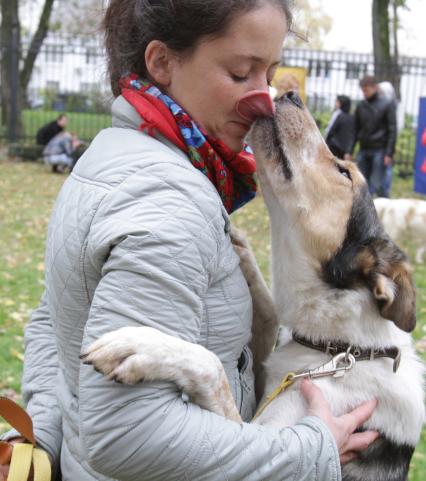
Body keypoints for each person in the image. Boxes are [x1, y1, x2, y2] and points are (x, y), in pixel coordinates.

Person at [0, 1, 379, 480]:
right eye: (241, 73)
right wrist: (311, 449)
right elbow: (127, 434)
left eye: (270, 72)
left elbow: (55, 319)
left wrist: (51, 434)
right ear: (161, 63)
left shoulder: (112, 156)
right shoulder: (168, 199)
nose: (263, 99)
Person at [350, 75, 397, 197]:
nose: (364, 93)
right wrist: (349, 150)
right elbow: (355, 129)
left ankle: (380, 207)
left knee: (377, 183)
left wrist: (389, 153)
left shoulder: (387, 104)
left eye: (366, 90)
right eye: (362, 90)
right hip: (364, 148)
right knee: (361, 183)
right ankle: (365, 211)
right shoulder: (361, 106)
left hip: (379, 150)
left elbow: (392, 130)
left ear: (375, 87)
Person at [324, 95, 355, 160]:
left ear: (341, 103)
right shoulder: (351, 117)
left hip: (334, 146)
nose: (336, 103)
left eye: (337, 101)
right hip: (343, 149)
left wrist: (325, 140)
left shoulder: (338, 114)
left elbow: (331, 129)